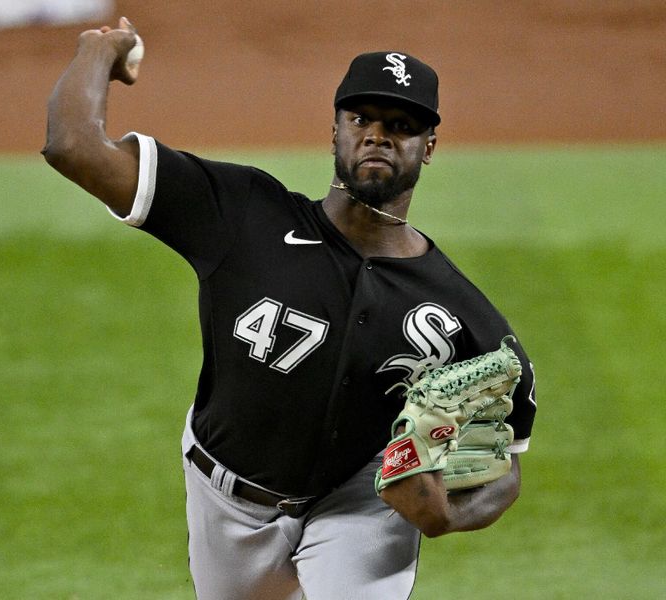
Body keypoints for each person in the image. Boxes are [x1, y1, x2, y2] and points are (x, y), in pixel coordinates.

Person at [43, 16, 537, 600]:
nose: (378, 135)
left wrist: (447, 514)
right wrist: (99, 51)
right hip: (224, 497)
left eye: (401, 126)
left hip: (362, 500)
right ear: (335, 130)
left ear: (428, 147)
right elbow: (72, 146)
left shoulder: (461, 315)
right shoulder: (242, 214)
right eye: (362, 120)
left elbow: (503, 464)